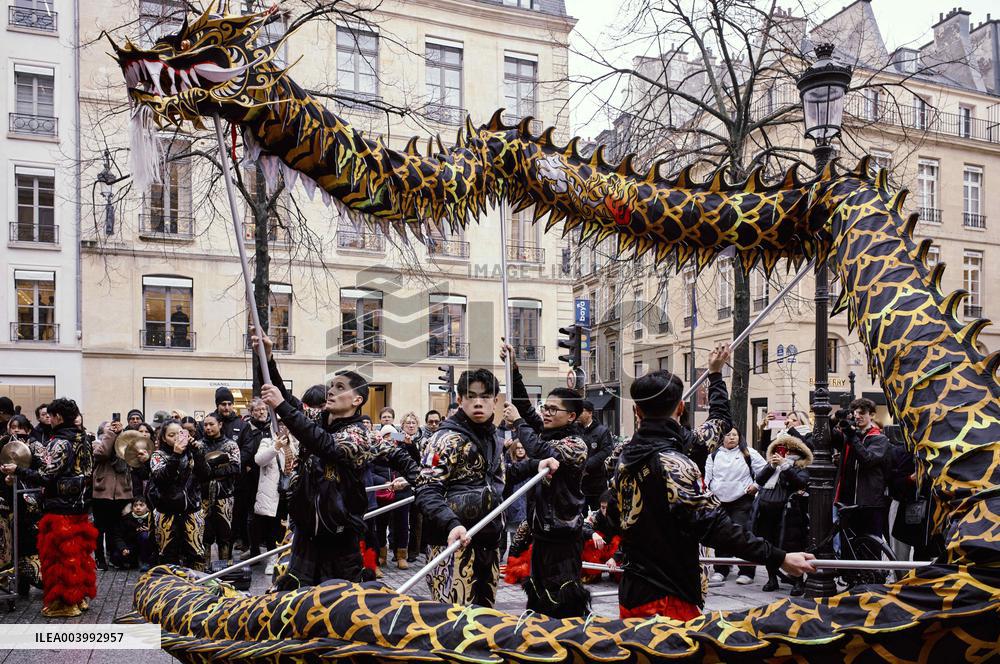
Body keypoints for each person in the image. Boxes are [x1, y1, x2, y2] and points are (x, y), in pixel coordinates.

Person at [612, 349, 816, 620]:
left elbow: (719, 423)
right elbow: (715, 527)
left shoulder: (622, 455)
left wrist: (716, 374)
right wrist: (779, 558)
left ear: (637, 411)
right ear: (682, 408)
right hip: (668, 596)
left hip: (632, 590)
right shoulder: (675, 462)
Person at [255, 329, 419, 588]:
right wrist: (268, 358)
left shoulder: (361, 433)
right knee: (298, 600)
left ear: (357, 399)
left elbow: (326, 445)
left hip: (340, 537)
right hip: (306, 532)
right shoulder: (316, 420)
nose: (330, 391)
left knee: (338, 604)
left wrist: (411, 481)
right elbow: (289, 402)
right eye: (331, 386)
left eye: (340, 387)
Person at [415, 368, 558, 608]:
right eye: (471, 396)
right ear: (460, 400)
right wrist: (451, 524)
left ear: (495, 400)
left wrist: (535, 465)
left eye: (485, 397)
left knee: (484, 617)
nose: (478, 403)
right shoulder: (445, 439)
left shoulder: (493, 437)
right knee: (453, 618)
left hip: (488, 540)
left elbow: (501, 476)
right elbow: (427, 489)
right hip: (453, 542)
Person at [1, 398, 97, 618]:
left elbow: (46, 475)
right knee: (79, 557)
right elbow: (83, 471)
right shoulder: (83, 439)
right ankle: (79, 598)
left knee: (60, 559)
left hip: (60, 509)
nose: (49, 420)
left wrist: (18, 470)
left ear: (58, 417)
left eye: (51, 416)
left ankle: (64, 603)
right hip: (79, 507)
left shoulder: (60, 442)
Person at [503, 385, 590, 618]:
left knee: (562, 601)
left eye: (554, 409)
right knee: (538, 600)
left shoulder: (575, 445)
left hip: (564, 536)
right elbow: (527, 410)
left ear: (571, 416)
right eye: (546, 408)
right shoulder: (548, 432)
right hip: (541, 534)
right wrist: (515, 372)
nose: (546, 413)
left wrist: (518, 423)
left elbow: (543, 451)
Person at [704, 427, 767, 585]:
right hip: (719, 500)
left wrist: (756, 486)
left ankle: (746, 571)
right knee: (720, 534)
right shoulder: (713, 455)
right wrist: (710, 492)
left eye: (735, 435)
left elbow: (765, 470)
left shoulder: (749, 453)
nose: (731, 438)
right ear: (722, 437)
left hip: (742, 500)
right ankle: (721, 569)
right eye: (728, 435)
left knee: (742, 534)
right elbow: (707, 478)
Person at [753, 431, 812, 595]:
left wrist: (786, 467)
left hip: (789, 512)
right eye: (781, 449)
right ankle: (772, 579)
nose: (784, 453)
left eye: (788, 450)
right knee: (768, 543)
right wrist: (772, 466)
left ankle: (798, 581)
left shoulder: (801, 466)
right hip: (766, 510)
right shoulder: (772, 464)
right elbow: (759, 480)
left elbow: (801, 482)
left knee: (792, 544)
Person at [147, 419, 210, 569]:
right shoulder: (158, 456)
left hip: (191, 512)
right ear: (163, 438)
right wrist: (175, 455)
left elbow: (206, 475)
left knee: (196, 555)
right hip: (166, 513)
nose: (176, 438)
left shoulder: (193, 453)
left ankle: (196, 589)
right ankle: (170, 589)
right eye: (171, 435)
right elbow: (161, 479)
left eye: (179, 434)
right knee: (167, 555)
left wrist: (198, 453)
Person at [93, 417, 148, 570]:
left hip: (121, 493)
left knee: (115, 527)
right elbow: (102, 453)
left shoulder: (122, 444)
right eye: (109, 430)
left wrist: (121, 435)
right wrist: (111, 434)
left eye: (114, 430)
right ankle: (99, 558)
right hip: (102, 492)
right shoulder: (96, 444)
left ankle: (114, 556)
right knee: (100, 528)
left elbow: (126, 458)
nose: (113, 432)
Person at [834, 398, 890, 540]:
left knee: (870, 547)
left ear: (871, 415)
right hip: (848, 501)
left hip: (869, 503)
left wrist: (852, 436)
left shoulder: (879, 438)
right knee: (849, 546)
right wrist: (835, 418)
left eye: (862, 413)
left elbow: (868, 459)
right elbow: (828, 437)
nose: (857, 416)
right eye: (855, 413)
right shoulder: (851, 436)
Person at [199, 413, 241, 565]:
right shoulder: (199, 445)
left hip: (225, 495)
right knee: (204, 534)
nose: (208, 427)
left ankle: (225, 569)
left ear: (220, 424)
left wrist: (211, 471)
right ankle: (203, 570)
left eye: (211, 424)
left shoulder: (230, 445)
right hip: (202, 496)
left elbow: (236, 467)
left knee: (225, 534)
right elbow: (195, 470)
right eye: (205, 425)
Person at [237, 398, 272, 560]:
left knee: (271, 514)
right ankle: (254, 549)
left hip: (271, 476)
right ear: (251, 412)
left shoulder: (273, 426)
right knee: (252, 514)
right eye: (257, 410)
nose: (261, 412)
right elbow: (243, 449)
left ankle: (272, 550)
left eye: (264, 409)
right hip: (252, 477)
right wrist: (249, 465)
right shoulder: (246, 428)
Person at [252, 431, 289, 575]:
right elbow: (259, 460)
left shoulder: (296, 440)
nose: (283, 426)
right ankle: (272, 561)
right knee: (272, 528)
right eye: (279, 422)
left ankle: (287, 559)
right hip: (274, 492)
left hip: (293, 490)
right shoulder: (267, 441)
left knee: (289, 529)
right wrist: (276, 446)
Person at [577, 400, 614, 514]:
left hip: (596, 482)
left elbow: (606, 450)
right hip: (578, 483)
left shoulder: (602, 431)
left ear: (590, 413)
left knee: (597, 513)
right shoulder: (575, 429)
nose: (578, 414)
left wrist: (587, 465)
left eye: (581, 411)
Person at [400, 412, 426, 563]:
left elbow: (421, 460)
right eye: (407, 423)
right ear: (402, 425)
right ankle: (399, 551)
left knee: (417, 519)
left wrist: (411, 446)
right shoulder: (397, 438)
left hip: (419, 482)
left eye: (413, 423)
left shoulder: (424, 440)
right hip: (402, 482)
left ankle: (413, 552)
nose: (410, 425)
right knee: (401, 519)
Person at [110, 497, 155, 570]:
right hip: (131, 547)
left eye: (141, 505)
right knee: (116, 556)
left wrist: (151, 531)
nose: (138, 508)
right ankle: (133, 561)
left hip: (147, 548)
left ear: (147, 507)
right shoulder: (126, 519)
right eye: (135, 505)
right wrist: (123, 548)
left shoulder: (152, 518)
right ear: (132, 508)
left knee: (144, 536)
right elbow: (118, 536)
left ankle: (145, 561)